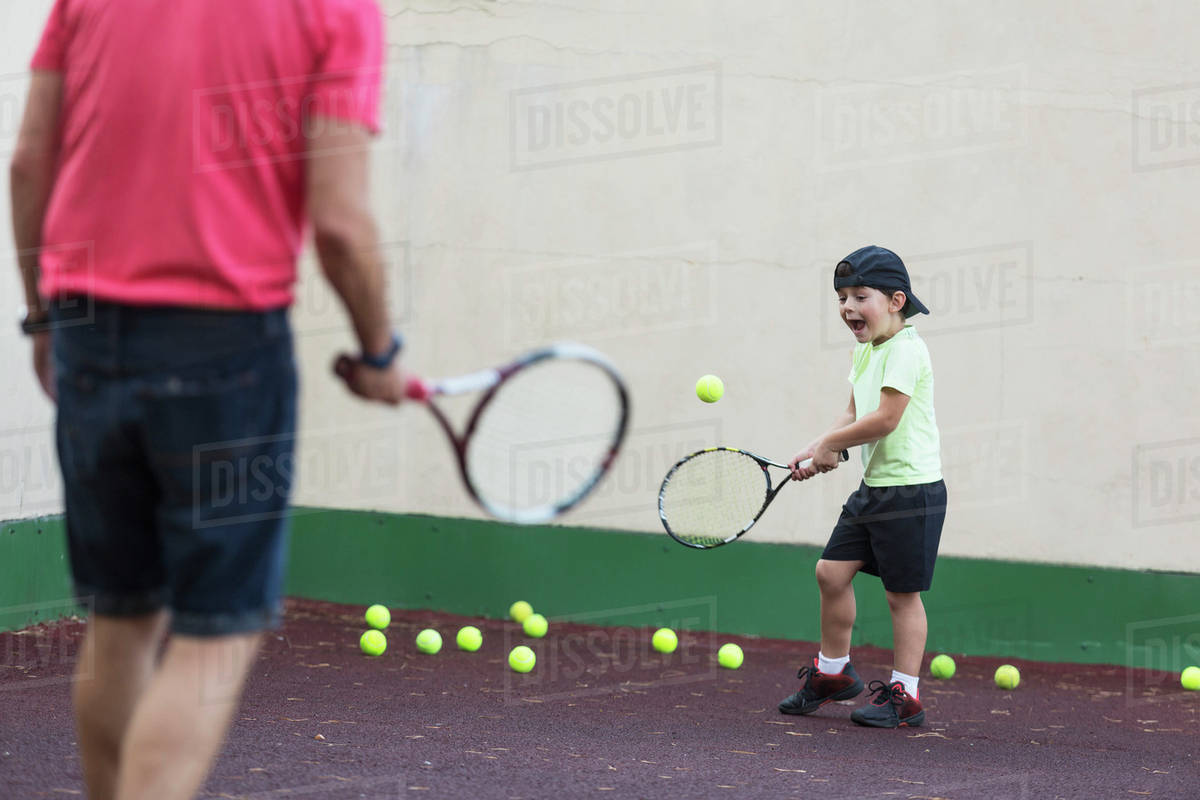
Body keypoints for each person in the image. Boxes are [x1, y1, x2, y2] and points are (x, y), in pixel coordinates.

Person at [9, 1, 402, 797]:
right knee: (214, 636)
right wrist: (379, 352)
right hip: (225, 348)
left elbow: (26, 164)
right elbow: (340, 226)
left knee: (121, 617)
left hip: (87, 330)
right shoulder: (338, 11)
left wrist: (48, 320)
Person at [777, 245, 947, 729]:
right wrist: (816, 448)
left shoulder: (908, 348)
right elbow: (854, 414)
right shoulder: (865, 351)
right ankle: (832, 674)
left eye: (860, 296)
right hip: (875, 490)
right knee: (831, 573)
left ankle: (905, 695)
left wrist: (832, 444)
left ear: (896, 301)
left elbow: (886, 419)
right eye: (841, 298)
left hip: (912, 493)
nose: (848, 307)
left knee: (901, 596)